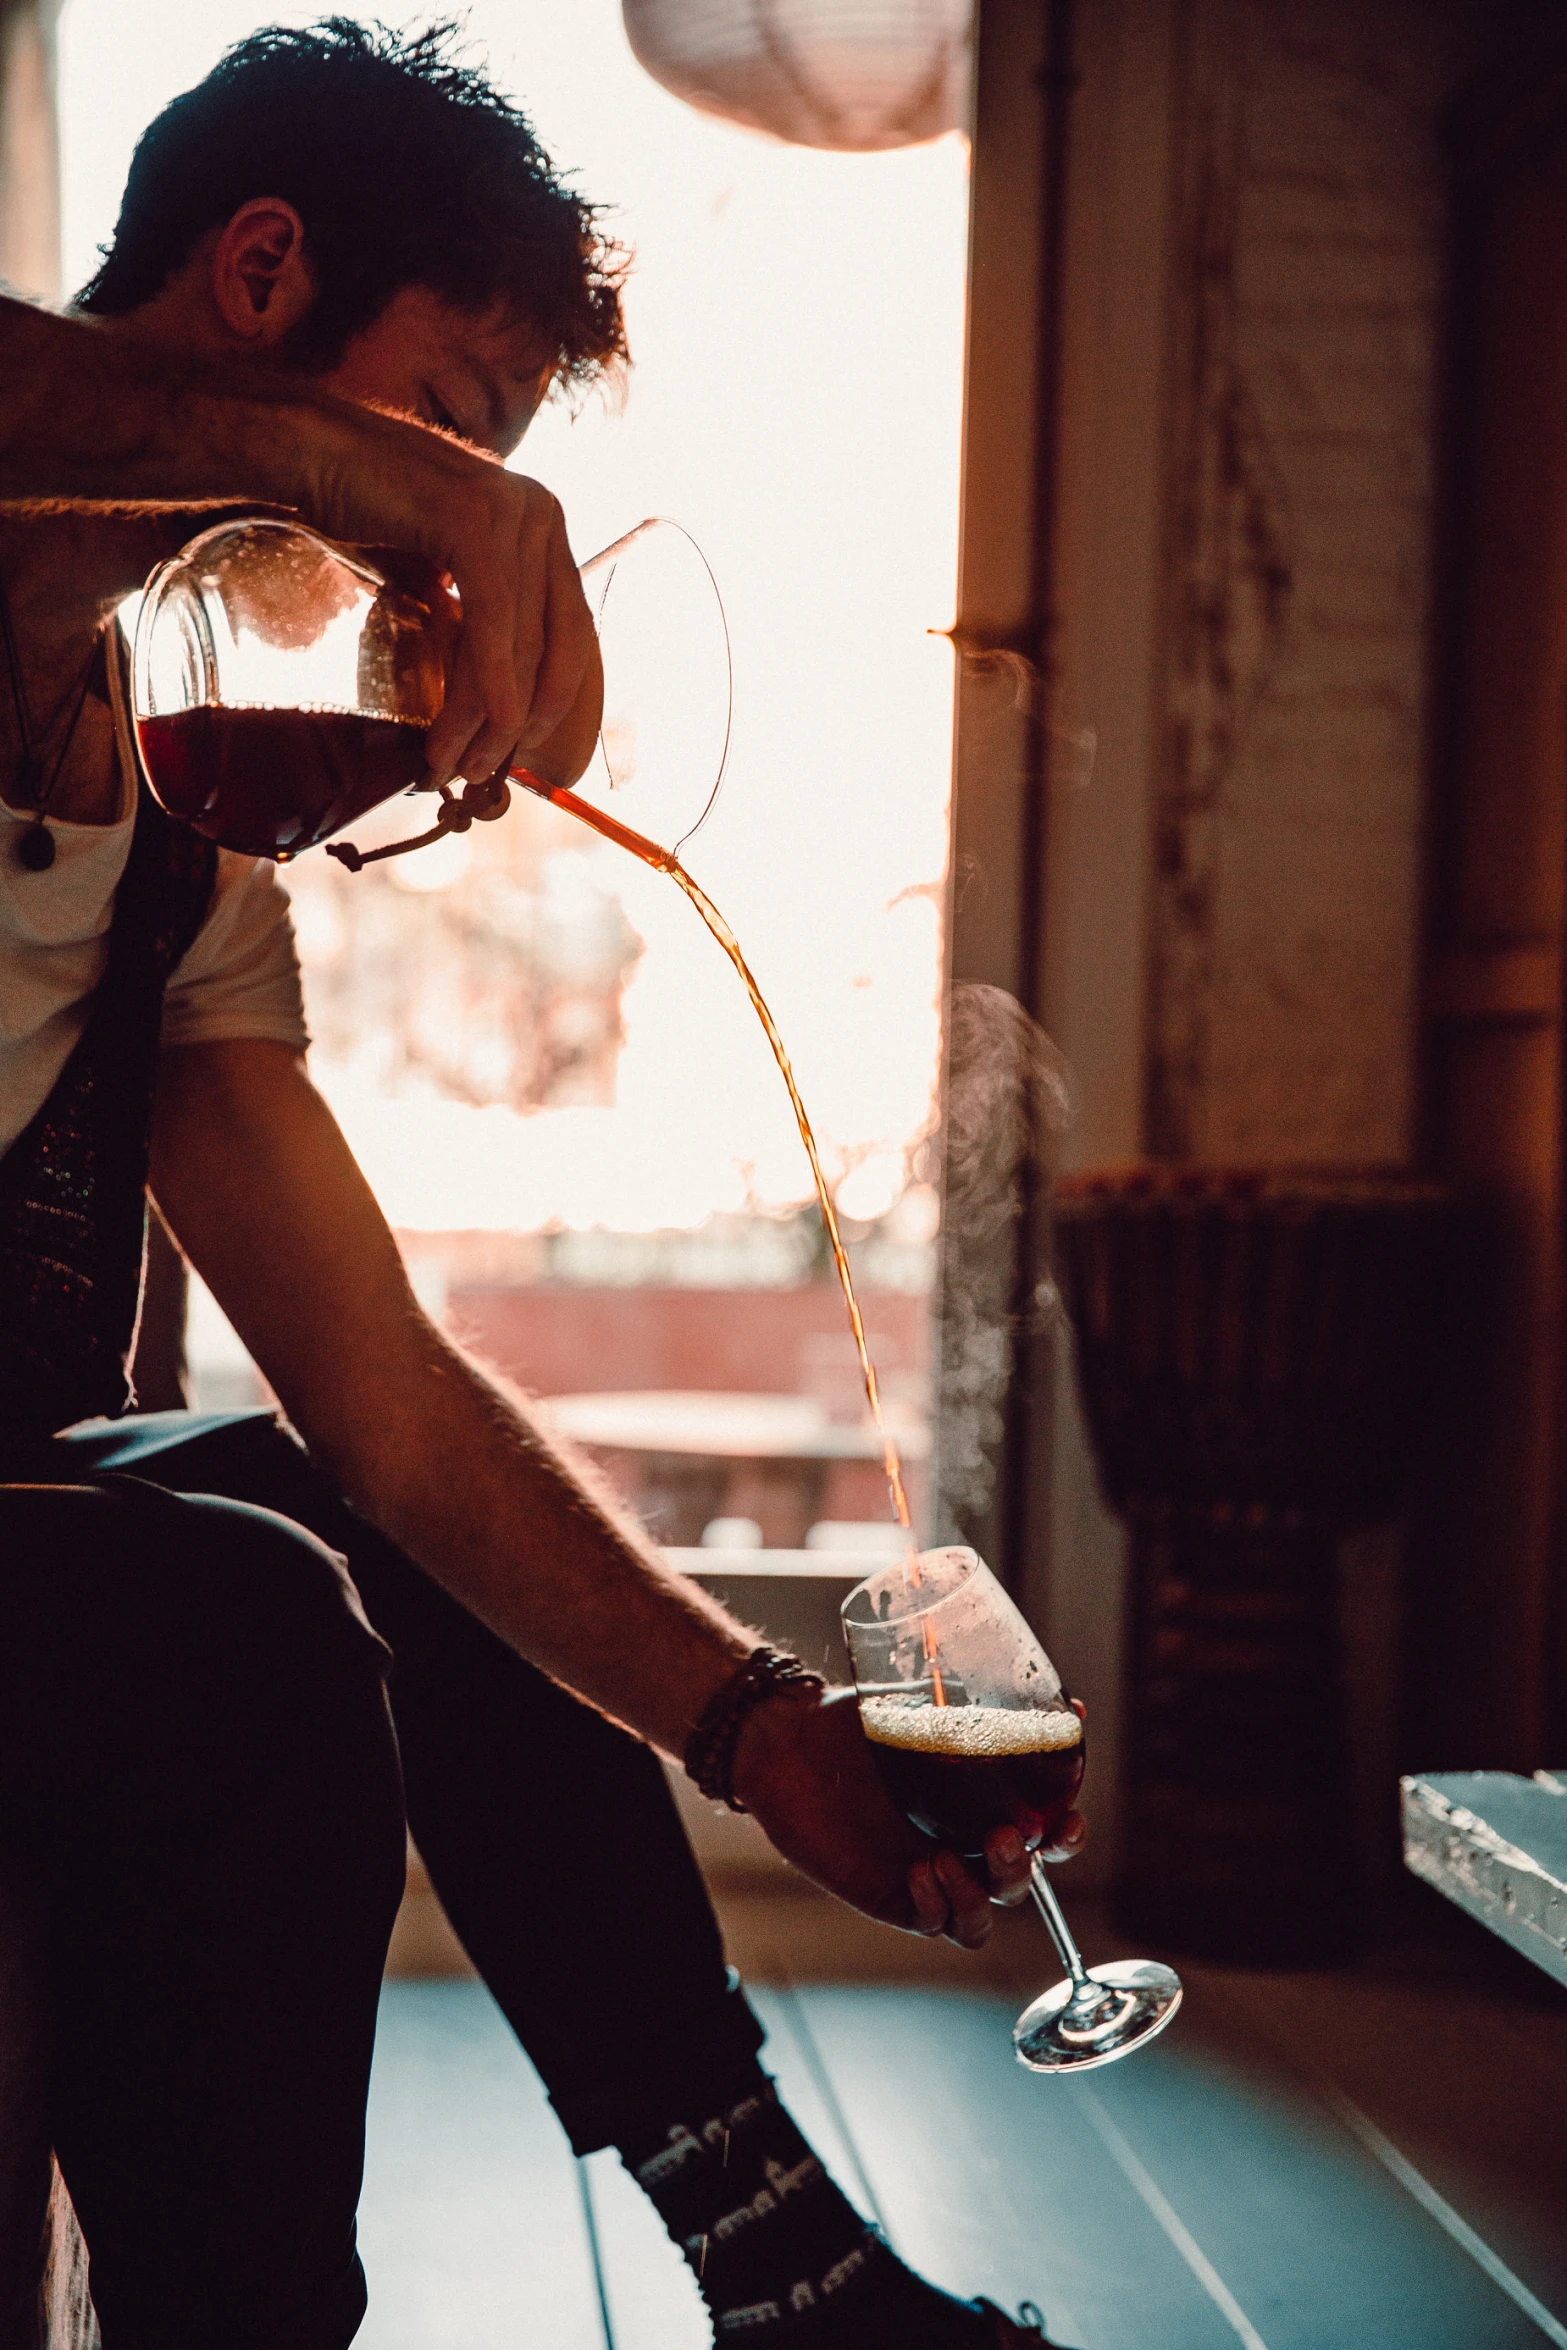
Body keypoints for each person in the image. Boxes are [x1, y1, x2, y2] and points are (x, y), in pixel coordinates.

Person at [0, 23, 1084, 2350]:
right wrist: (369, 486)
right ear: (263, 270)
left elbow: (380, 1391)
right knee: (243, 1609)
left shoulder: (172, 848)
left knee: (346, 1527)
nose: (469, 523)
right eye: (462, 424)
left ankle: (782, 2264)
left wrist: (761, 1723)